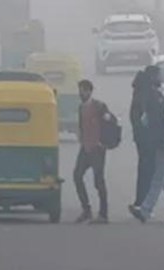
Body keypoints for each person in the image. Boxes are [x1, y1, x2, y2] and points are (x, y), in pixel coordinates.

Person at [130, 70, 164, 224]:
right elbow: (145, 120)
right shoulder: (155, 106)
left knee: (157, 180)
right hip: (159, 145)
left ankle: (145, 210)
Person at [73, 79, 110, 224]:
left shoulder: (99, 106)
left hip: (97, 149)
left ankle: (103, 214)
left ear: (89, 91)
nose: (80, 93)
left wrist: (104, 142)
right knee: (77, 176)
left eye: (83, 90)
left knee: (98, 181)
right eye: (80, 90)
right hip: (86, 148)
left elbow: (109, 124)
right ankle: (86, 209)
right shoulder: (81, 107)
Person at [130, 69, 155, 208]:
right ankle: (144, 204)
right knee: (150, 172)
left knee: (144, 171)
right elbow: (145, 116)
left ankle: (141, 201)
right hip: (146, 140)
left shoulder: (137, 93)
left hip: (140, 138)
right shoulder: (145, 94)